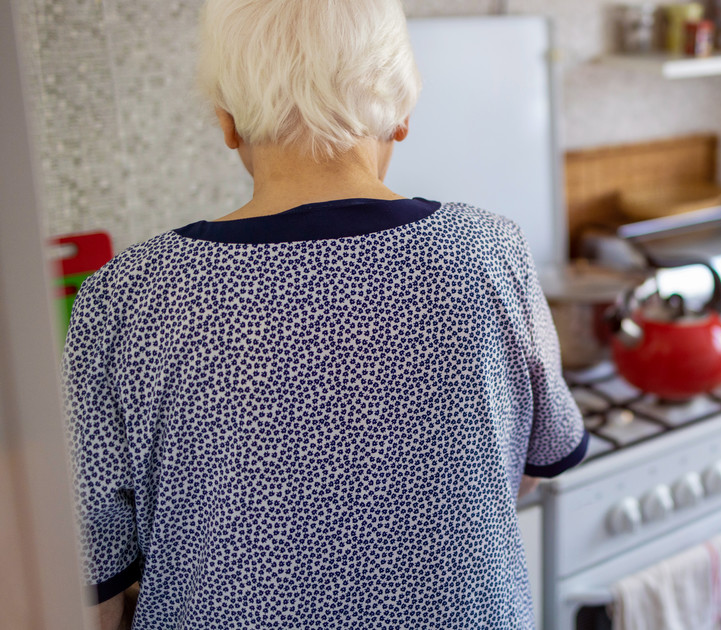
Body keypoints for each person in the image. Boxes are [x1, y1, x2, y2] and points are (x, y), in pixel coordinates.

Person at [62, 1, 586, 628]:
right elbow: (536, 460)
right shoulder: (491, 253)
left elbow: (93, 573)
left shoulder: (123, 295)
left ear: (227, 123)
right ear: (401, 114)